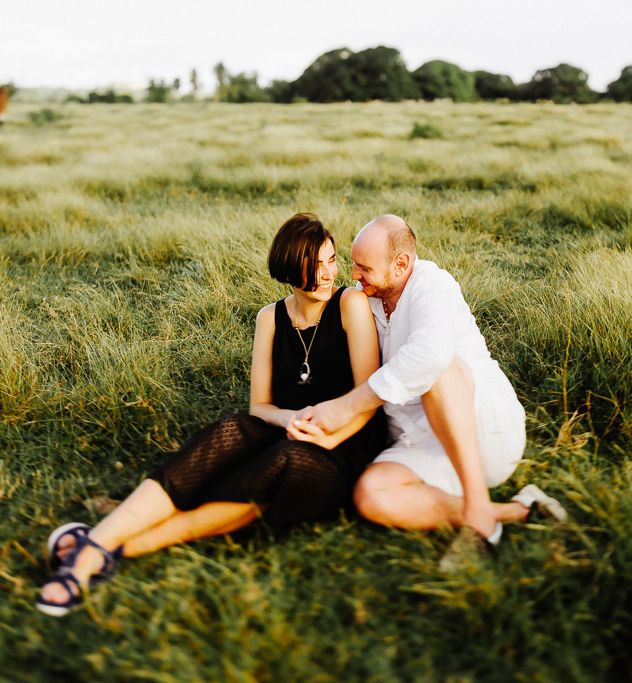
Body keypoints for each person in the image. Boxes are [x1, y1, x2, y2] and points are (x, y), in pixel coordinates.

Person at [37, 212, 387, 616]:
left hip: (344, 448)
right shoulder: (269, 318)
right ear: (290, 270)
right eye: (314, 266)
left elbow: (369, 397)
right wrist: (287, 420)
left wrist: (328, 436)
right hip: (288, 430)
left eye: (331, 260)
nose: (327, 274)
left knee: (282, 462)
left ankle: (98, 550)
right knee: (231, 429)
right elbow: (261, 407)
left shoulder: (350, 304)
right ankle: (103, 543)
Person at [294, 215, 563, 564]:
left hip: (484, 432)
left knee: (438, 368)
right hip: (419, 443)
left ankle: (479, 520)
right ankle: (516, 510)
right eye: (353, 265)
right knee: (372, 496)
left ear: (401, 264)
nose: (354, 275)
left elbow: (430, 356)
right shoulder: (367, 299)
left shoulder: (432, 285)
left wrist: (345, 408)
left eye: (364, 267)